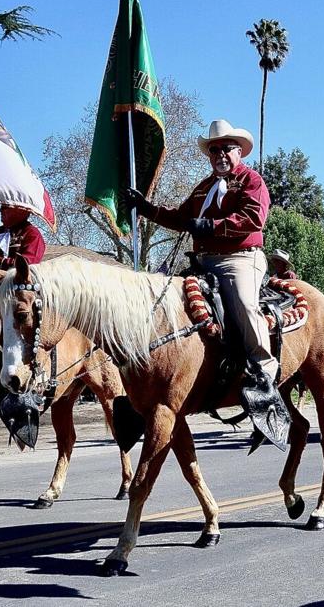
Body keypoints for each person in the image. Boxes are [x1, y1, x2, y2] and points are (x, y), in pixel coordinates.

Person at [123, 118, 290, 447]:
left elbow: (253, 219)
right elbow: (181, 217)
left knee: (243, 302)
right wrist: (146, 208)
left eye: (226, 148)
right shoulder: (202, 187)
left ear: (239, 151)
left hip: (240, 258)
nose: (220, 154)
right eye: (214, 150)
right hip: (203, 260)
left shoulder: (251, 181)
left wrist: (209, 226)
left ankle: (263, 366)